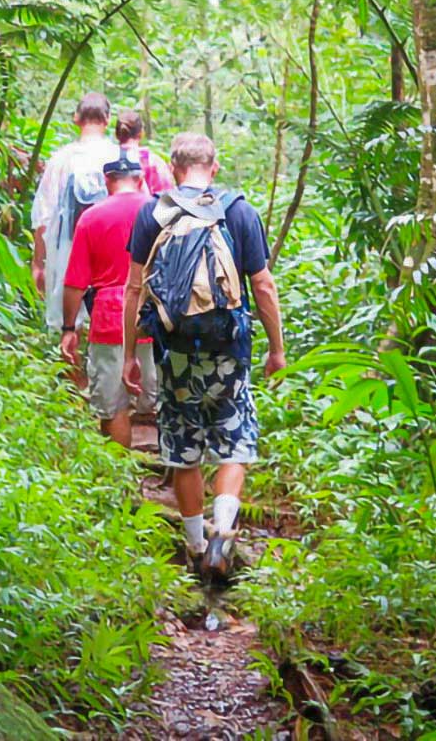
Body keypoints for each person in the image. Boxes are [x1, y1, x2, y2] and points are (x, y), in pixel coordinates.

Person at [122, 132, 285, 581]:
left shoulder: (152, 212)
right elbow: (264, 287)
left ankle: (195, 547)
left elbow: (134, 288)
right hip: (229, 351)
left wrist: (129, 356)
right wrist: (276, 349)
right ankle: (222, 535)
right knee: (236, 443)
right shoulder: (238, 212)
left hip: (173, 353)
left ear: (174, 169)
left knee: (183, 449)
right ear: (214, 168)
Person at [60, 155, 160, 449]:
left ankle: (121, 481)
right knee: (167, 397)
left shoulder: (91, 217)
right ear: (140, 180)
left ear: (107, 181)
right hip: (156, 312)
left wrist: (69, 328)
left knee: (113, 405)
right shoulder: (161, 211)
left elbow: (75, 281)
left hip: (110, 316)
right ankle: (174, 476)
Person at [30, 93, 120, 331]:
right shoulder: (118, 158)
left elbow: (44, 215)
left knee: (69, 324)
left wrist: (38, 262)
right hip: (112, 255)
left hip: (67, 253)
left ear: (76, 119)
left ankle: (74, 365)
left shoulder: (61, 159)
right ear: (108, 120)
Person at [114, 110, 174, 194]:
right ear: (142, 133)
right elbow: (166, 196)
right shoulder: (155, 162)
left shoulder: (107, 160)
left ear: (116, 134)